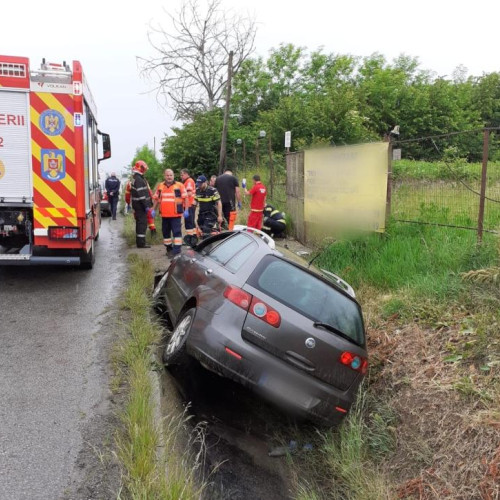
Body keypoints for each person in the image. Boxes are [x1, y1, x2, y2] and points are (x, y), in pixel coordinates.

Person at [153, 169, 187, 256]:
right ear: (164, 176)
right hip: (164, 215)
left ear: (173, 176)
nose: (169, 177)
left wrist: (186, 210)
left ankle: (177, 250)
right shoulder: (160, 186)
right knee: (165, 232)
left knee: (176, 232)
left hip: (176, 214)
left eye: (171, 175)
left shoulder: (179, 185)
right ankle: (169, 248)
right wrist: (153, 209)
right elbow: (157, 199)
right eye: (167, 175)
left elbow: (185, 198)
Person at [130, 160, 153, 248]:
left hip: (137, 204)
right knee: (142, 223)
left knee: (140, 223)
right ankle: (141, 243)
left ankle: (140, 242)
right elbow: (142, 194)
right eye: (144, 169)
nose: (145, 170)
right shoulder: (139, 179)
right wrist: (146, 206)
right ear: (141, 168)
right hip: (140, 205)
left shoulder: (136, 177)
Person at [193, 175, 223, 239]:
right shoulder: (197, 190)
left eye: (200, 184)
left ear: (205, 182)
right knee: (201, 229)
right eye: (198, 184)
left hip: (211, 213)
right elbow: (195, 202)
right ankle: (212, 236)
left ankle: (208, 247)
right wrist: (191, 211)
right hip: (201, 214)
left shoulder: (212, 190)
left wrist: (220, 216)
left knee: (206, 230)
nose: (199, 185)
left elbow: (219, 203)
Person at [180, 168, 197, 247]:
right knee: (191, 223)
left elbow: (189, 193)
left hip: (189, 205)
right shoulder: (188, 181)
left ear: (187, 174)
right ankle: (193, 239)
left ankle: (190, 241)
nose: (181, 176)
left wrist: (179, 196)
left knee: (189, 224)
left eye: (182, 175)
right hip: (190, 205)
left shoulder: (189, 181)